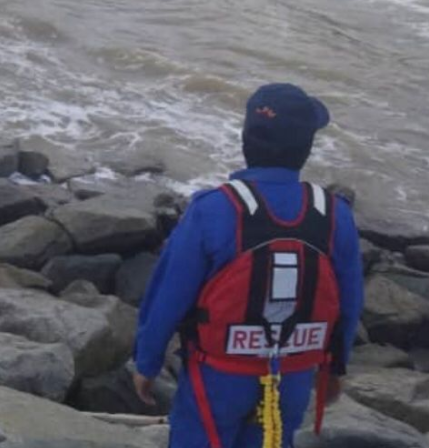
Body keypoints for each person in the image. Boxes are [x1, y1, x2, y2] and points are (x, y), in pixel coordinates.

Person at [133, 83, 364, 448]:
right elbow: (349, 304)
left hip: (218, 374)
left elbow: (167, 295)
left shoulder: (213, 208)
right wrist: (335, 368)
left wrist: (147, 362)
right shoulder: (335, 214)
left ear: (245, 140)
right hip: (293, 373)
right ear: (306, 148)